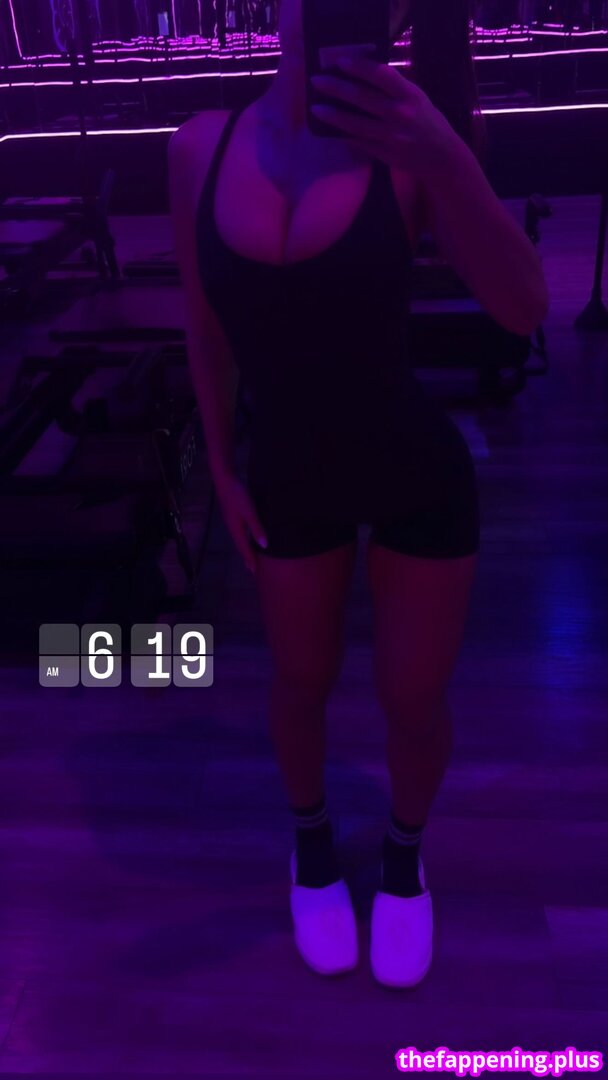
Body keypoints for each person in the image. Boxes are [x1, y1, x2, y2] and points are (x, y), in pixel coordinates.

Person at [169, 0, 549, 987]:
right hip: (286, 469)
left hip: (411, 461)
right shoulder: (198, 146)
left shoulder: (406, 141)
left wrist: (446, 156)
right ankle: (310, 848)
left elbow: (522, 307)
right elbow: (204, 327)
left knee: (413, 700)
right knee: (298, 684)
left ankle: (403, 860)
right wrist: (218, 469)